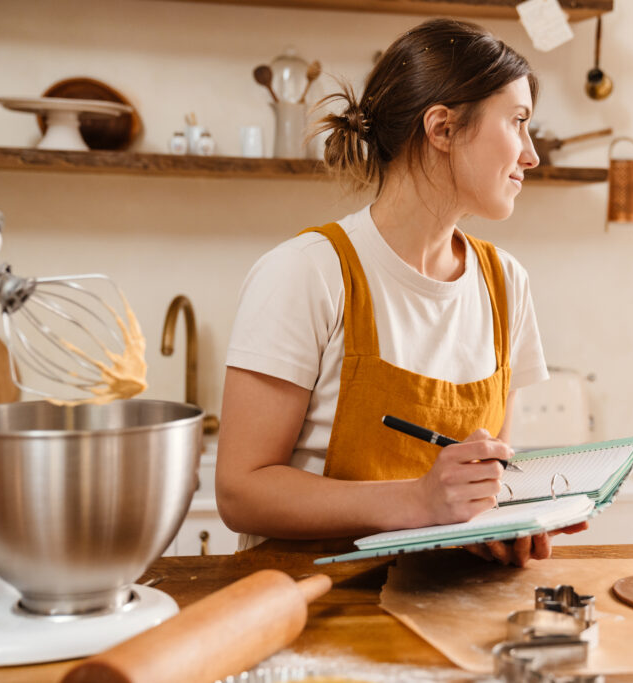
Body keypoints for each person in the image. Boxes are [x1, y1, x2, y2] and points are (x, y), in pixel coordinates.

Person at [216, 18, 584, 565]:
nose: (531, 155)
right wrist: (418, 500)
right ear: (442, 129)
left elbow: (481, 482)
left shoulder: (506, 283)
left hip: (448, 606)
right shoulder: (308, 272)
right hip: (311, 611)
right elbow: (240, 493)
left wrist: (496, 521)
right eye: (518, 122)